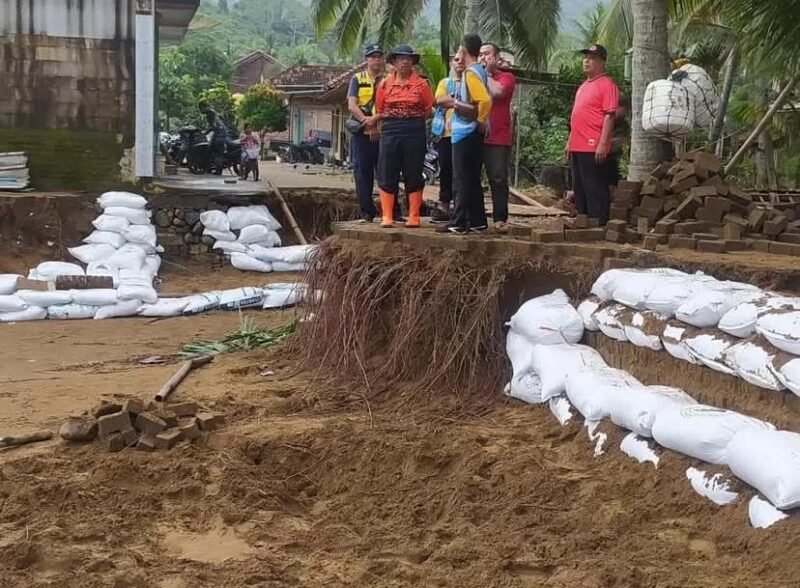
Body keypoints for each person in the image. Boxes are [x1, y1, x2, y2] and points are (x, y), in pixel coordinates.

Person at [374, 44, 434, 228]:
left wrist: (410, 117)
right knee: (387, 170)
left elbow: (428, 109)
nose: (404, 62)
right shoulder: (384, 84)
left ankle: (414, 216)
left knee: (413, 171)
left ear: (412, 62)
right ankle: (387, 216)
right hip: (390, 129)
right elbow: (380, 107)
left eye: (408, 59)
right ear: (394, 62)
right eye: (400, 59)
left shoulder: (422, 84)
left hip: (414, 129)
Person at [441, 34, 491, 234]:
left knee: (461, 178)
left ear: (464, 50)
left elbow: (485, 100)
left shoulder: (471, 73)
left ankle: (459, 221)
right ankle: (478, 220)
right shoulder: (480, 71)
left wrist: (480, 120)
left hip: (465, 132)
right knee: (471, 178)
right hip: (471, 133)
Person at [564, 44, 620, 225]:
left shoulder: (607, 85)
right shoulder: (583, 86)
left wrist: (603, 143)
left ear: (602, 62)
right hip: (578, 144)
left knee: (594, 185)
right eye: (585, 58)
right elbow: (577, 116)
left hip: (593, 143)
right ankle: (583, 219)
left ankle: (599, 221)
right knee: (579, 186)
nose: (586, 61)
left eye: (592, 58)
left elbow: (609, 116)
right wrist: (570, 140)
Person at [479, 43, 516, 233]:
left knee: (498, 178)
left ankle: (500, 218)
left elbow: (498, 92)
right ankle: (475, 217)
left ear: (497, 58)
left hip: (498, 136)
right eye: (480, 54)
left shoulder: (507, 77)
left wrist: (487, 74)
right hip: (475, 134)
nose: (483, 58)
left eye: (487, 54)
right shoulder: (474, 76)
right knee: (470, 177)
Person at [431, 54, 465, 223]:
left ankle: (460, 205)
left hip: (465, 133)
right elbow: (440, 99)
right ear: (452, 63)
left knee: (462, 171)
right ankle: (444, 204)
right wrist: (460, 102)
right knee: (445, 169)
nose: (459, 63)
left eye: (462, 60)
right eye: (456, 60)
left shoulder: (471, 82)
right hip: (446, 134)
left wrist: (452, 101)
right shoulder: (445, 82)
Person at [199, 100, 228, 175]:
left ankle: (218, 170)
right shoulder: (212, 111)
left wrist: (205, 133)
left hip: (219, 134)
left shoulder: (210, 113)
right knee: (213, 149)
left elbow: (213, 126)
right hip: (220, 132)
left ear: (203, 107)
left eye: (200, 108)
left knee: (215, 150)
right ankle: (214, 168)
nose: (200, 111)